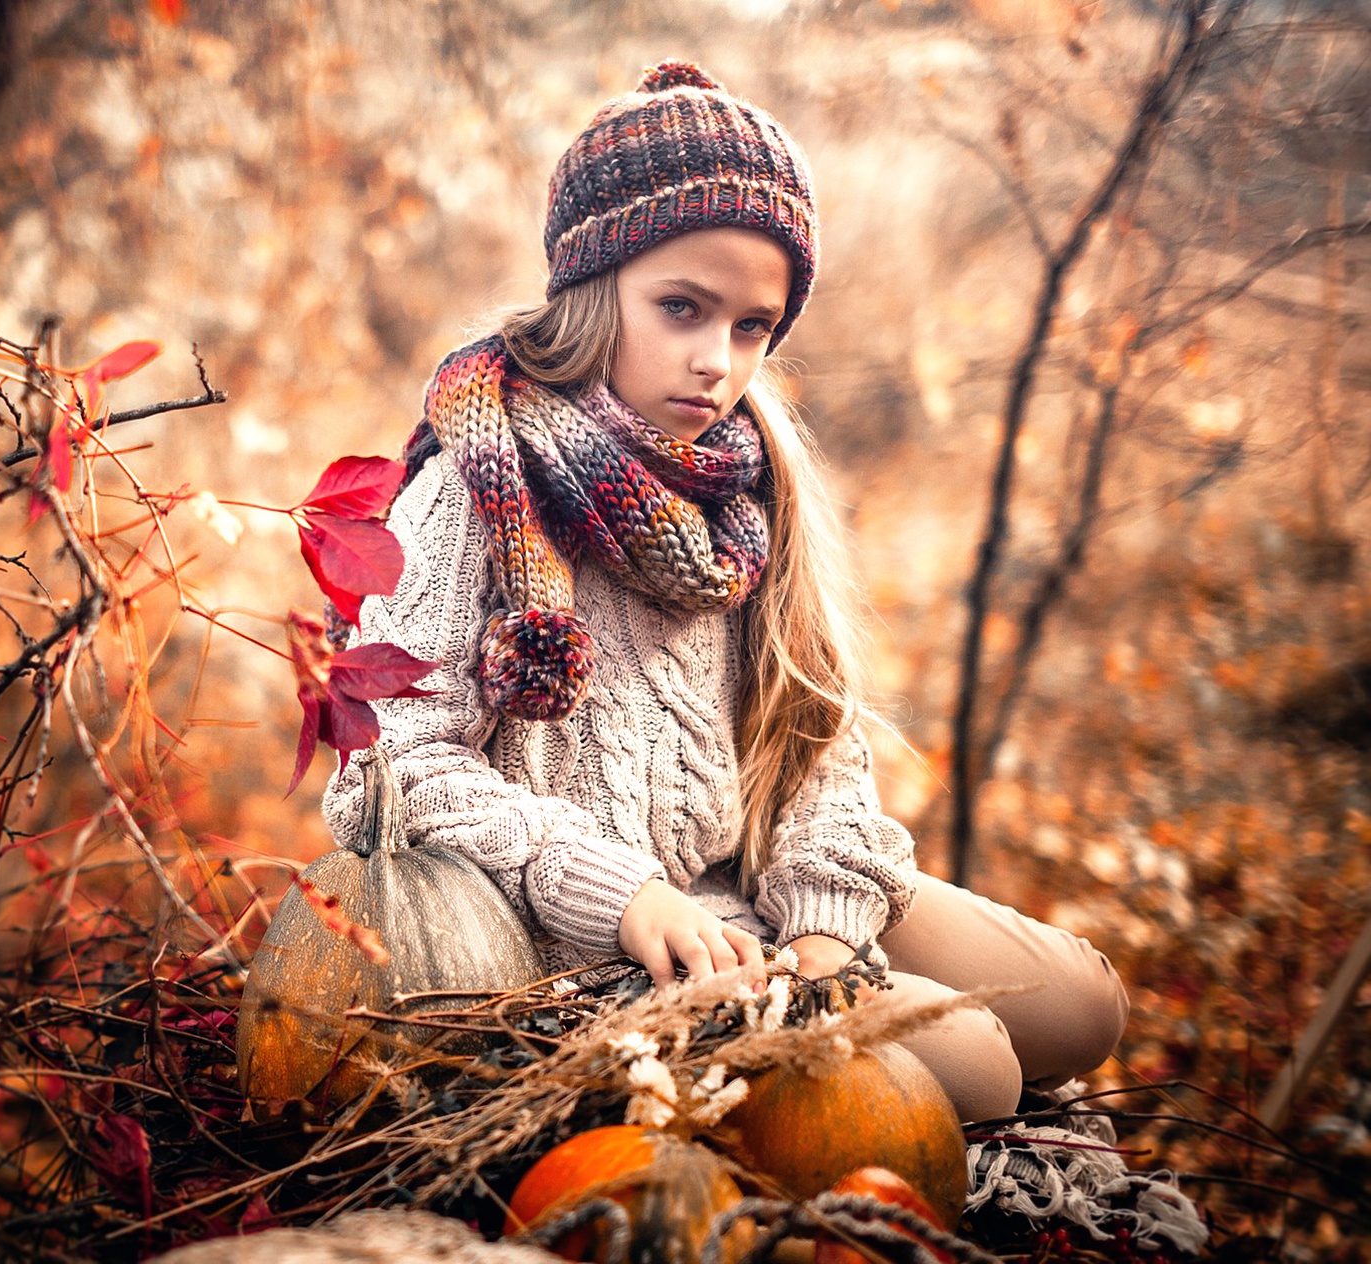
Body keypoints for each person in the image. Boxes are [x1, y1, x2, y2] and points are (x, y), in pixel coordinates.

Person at [320, 60, 1128, 1123]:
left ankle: (840, 994)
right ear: (591, 284)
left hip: (755, 886)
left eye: (753, 326)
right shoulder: (475, 487)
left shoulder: (747, 486)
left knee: (1085, 1006)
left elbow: (813, 734)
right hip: (606, 940)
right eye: (683, 308)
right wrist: (620, 894)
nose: (718, 362)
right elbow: (390, 768)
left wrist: (828, 928)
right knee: (981, 1065)